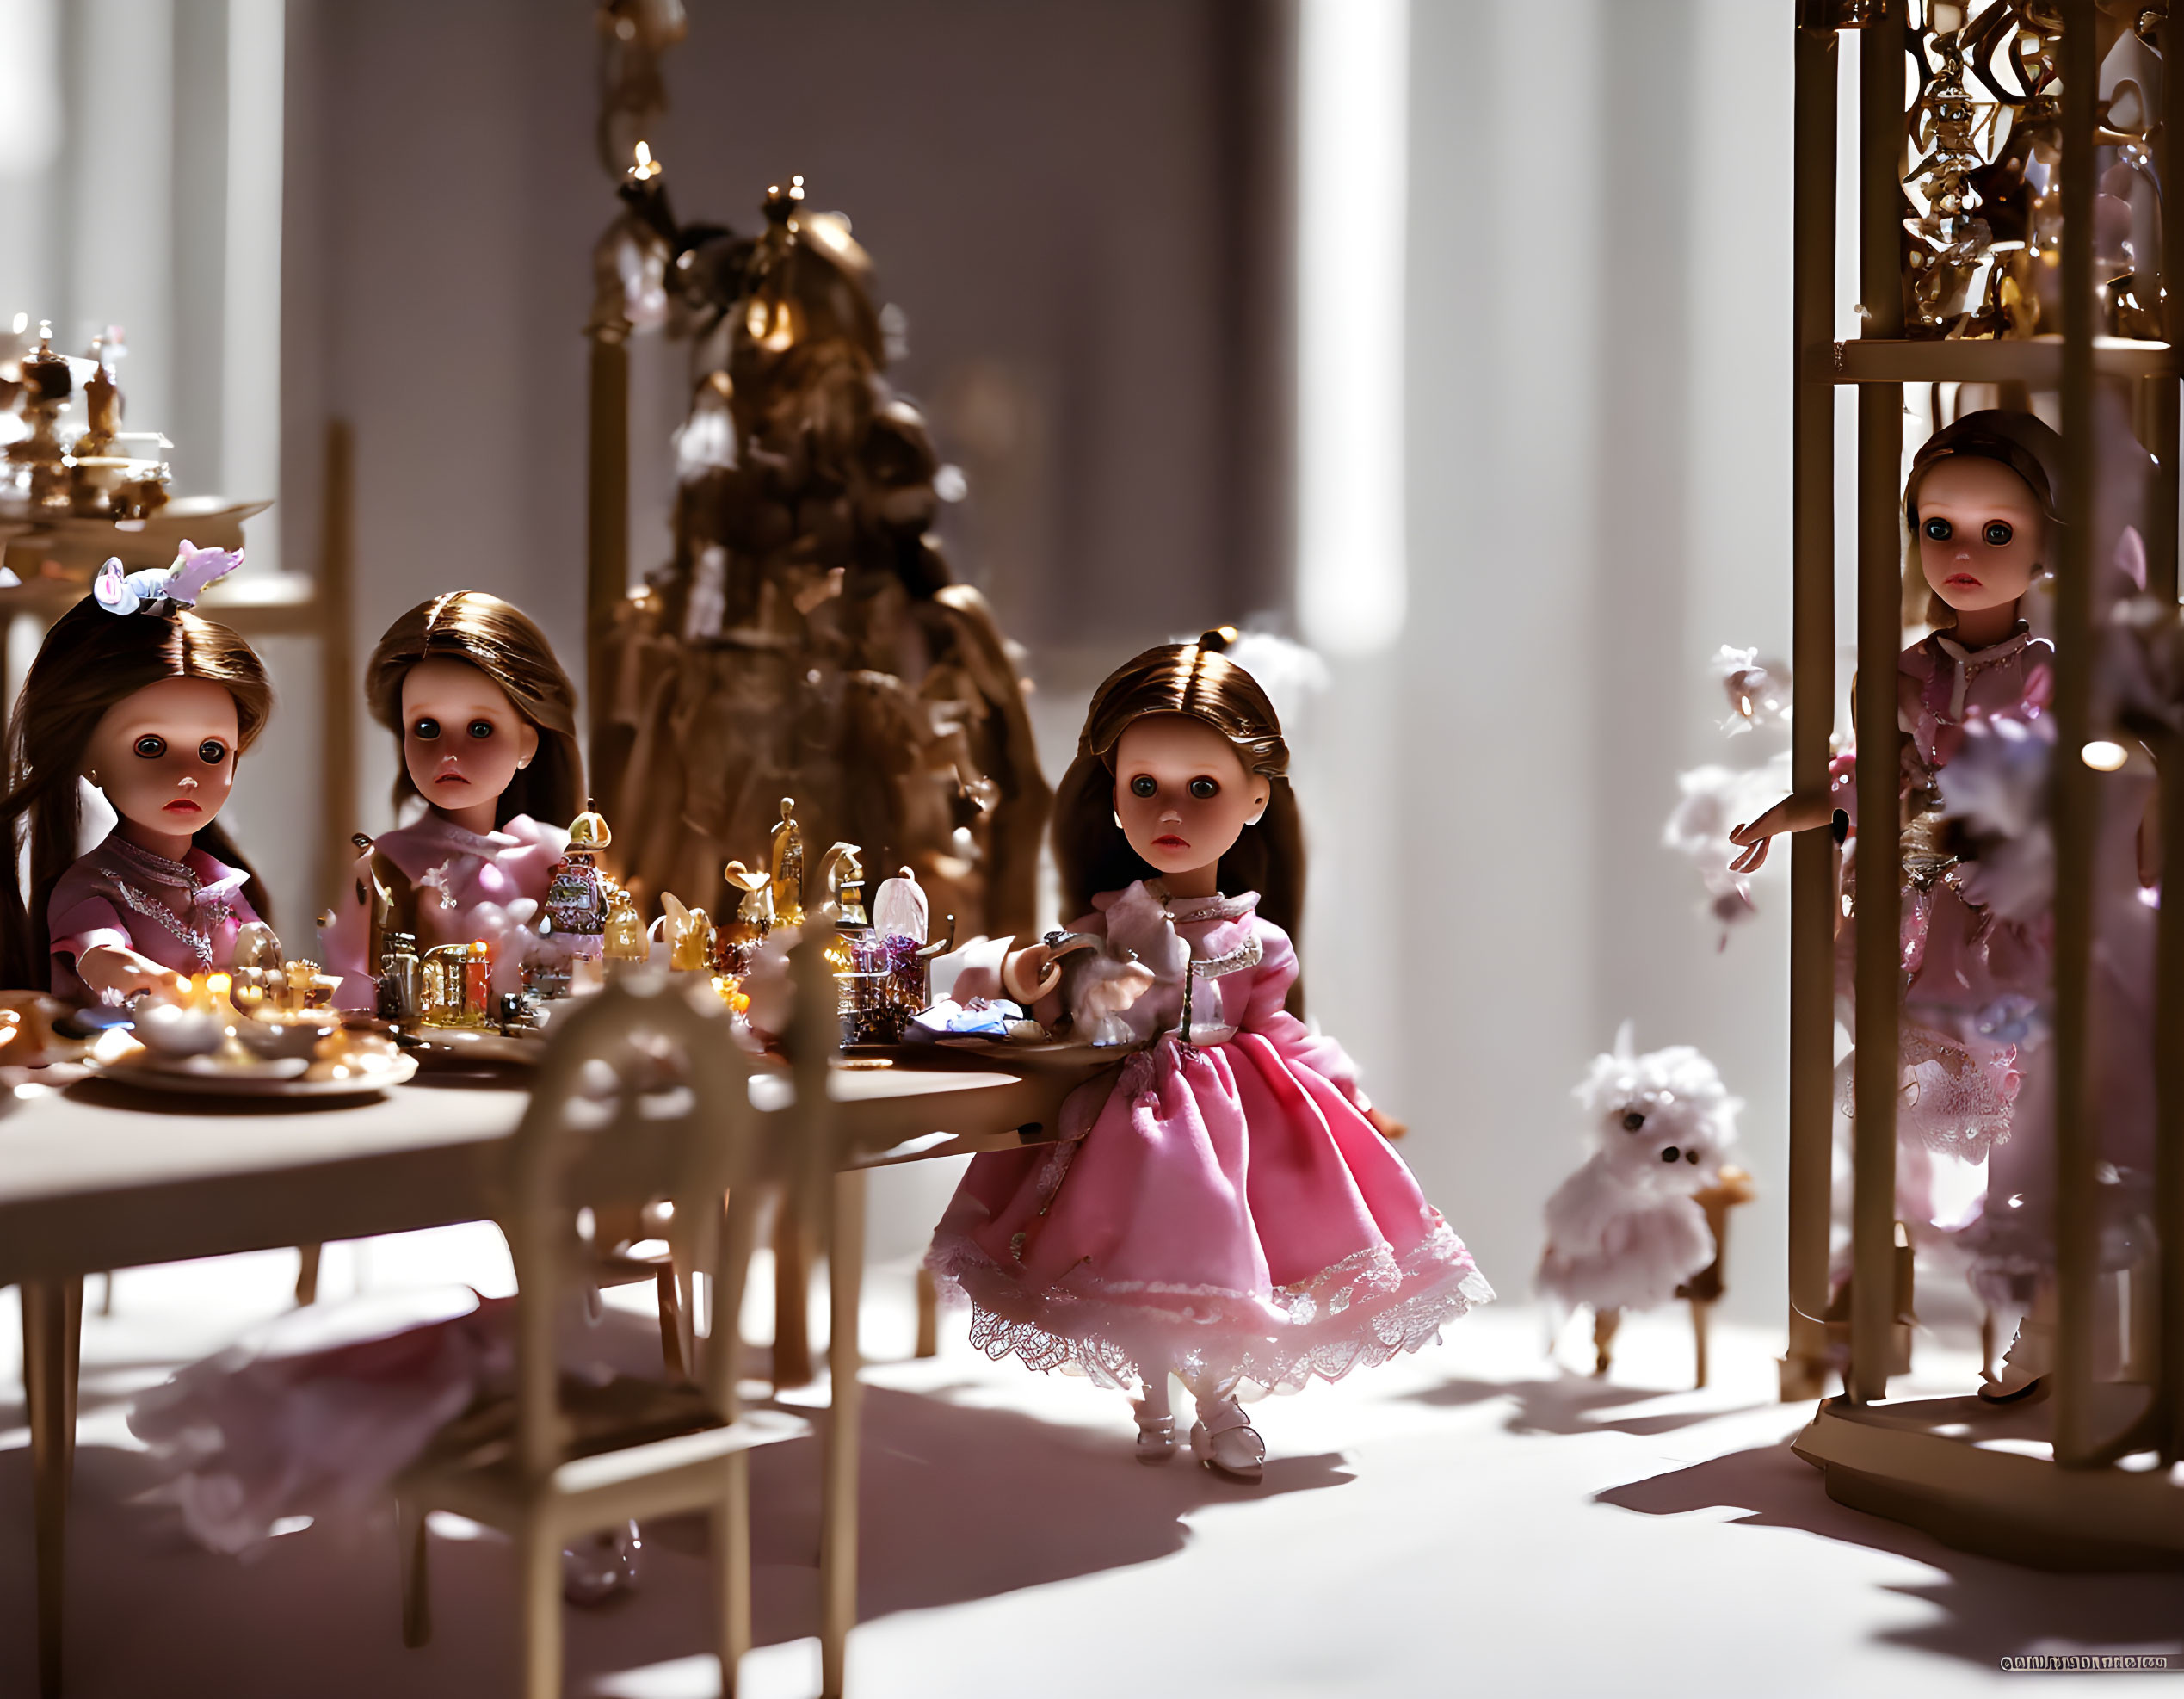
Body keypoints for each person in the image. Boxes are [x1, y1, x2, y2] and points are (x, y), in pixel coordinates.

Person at [925, 630, 1491, 1480]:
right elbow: (1019, 983)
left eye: (1203, 789)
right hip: (1123, 1124)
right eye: (1144, 787)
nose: (1170, 815)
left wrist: (1348, 1091)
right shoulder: (1102, 927)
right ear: (1113, 799)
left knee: (1215, 1268)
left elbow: (1281, 1030)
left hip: (1231, 1127)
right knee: (1133, 1266)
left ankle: (1218, 1405)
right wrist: (1025, 971)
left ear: (1256, 797)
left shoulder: (1257, 938)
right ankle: (1153, 1395)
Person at [0, 546, 275, 999]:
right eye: (151, 747)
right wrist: (168, 988)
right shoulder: (91, 887)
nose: (188, 775)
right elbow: (105, 958)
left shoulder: (221, 881)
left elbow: (261, 966)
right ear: (89, 756)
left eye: (212, 750)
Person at [322, 591, 583, 1008]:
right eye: (426, 727)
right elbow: (354, 994)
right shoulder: (388, 867)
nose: (449, 753)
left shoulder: (555, 859)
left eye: (480, 728)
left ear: (527, 743)